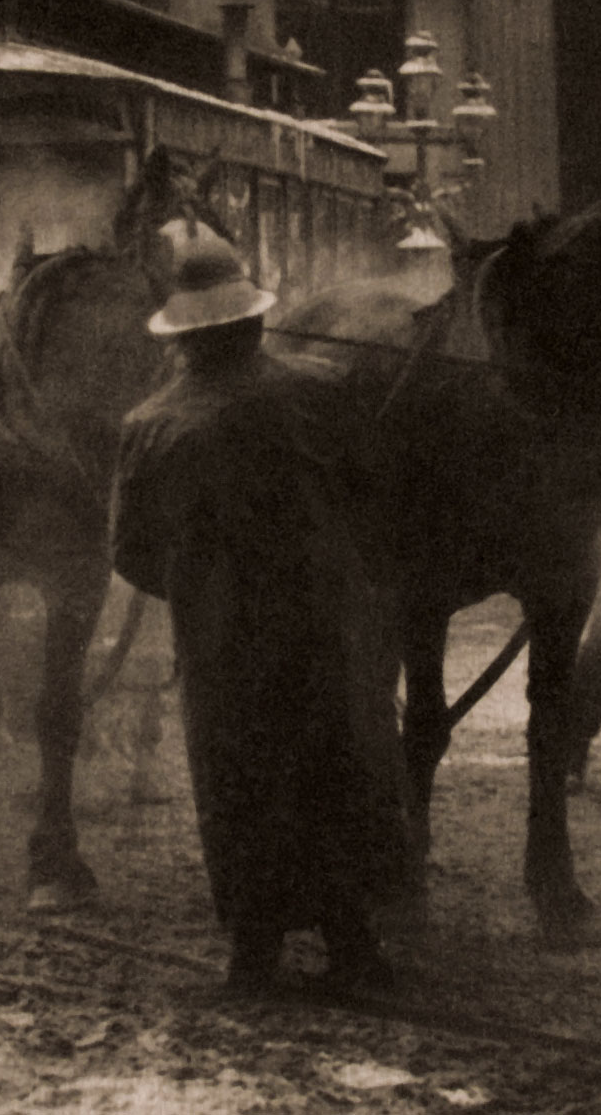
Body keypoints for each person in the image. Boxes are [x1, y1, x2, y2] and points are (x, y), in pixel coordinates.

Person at [110, 231, 408, 995]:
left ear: (183, 335)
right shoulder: (321, 392)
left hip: (219, 643)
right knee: (333, 771)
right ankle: (351, 943)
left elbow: (131, 554)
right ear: (249, 321)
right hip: (322, 626)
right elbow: (375, 500)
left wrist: (201, 589)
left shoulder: (147, 425)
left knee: (238, 779)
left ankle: (253, 949)